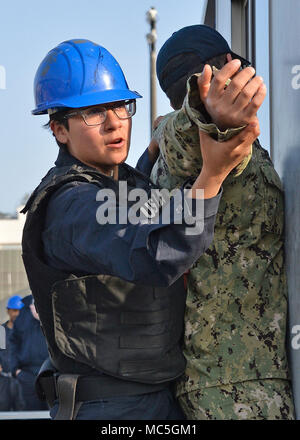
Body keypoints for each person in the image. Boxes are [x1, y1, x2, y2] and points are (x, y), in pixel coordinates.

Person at [20, 39, 258, 420]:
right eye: (94, 112)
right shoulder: (70, 204)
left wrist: (157, 150)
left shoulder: (120, 184)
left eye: (120, 106)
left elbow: (140, 204)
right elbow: (157, 250)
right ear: (59, 129)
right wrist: (211, 175)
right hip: (108, 407)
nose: (115, 122)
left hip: (152, 399)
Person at [150, 24, 295, 420]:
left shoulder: (207, 140)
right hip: (237, 390)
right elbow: (191, 139)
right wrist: (208, 110)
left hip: (233, 379)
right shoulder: (210, 140)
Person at [10, 294, 48, 411]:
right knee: (31, 411)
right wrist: (15, 370)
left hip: (51, 374)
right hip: (27, 375)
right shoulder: (22, 316)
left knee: (54, 412)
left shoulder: (53, 312)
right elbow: (13, 343)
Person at [0, 295, 25, 411]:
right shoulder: (2, 331)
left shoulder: (25, 331)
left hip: (20, 379)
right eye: (14, 310)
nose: (17, 314)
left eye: (19, 311)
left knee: (22, 410)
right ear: (8, 311)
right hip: (3, 380)